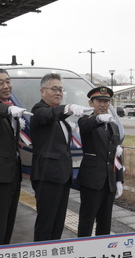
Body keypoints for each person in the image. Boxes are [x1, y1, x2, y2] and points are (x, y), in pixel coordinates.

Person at [30, 73, 92, 241]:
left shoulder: (62, 120)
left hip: (62, 177)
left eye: (61, 89)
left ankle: (54, 257)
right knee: (46, 223)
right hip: (47, 177)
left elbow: (57, 116)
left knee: (58, 223)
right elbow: (48, 115)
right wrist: (68, 108)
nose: (58, 93)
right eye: (54, 89)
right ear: (43, 91)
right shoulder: (38, 110)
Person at [0, 68, 31, 246]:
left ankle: (6, 251)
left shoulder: (10, 106)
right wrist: (9, 111)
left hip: (13, 172)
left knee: (10, 218)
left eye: (8, 81)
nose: (6, 85)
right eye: (0, 82)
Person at [76, 86, 124, 237]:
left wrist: (119, 180)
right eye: (99, 101)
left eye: (106, 101)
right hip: (92, 181)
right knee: (87, 220)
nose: (103, 105)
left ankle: (102, 251)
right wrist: (97, 119)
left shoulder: (113, 126)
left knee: (105, 222)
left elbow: (117, 154)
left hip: (109, 181)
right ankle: (83, 250)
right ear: (91, 103)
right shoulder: (85, 120)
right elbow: (86, 126)